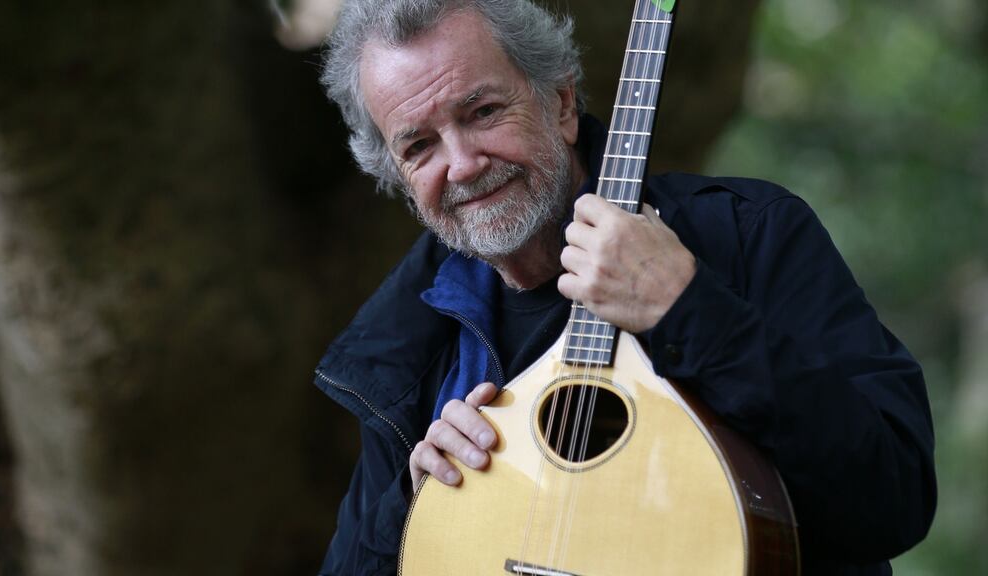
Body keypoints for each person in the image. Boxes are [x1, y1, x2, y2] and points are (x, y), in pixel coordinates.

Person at [314, 0, 937, 574]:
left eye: (481, 112)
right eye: (420, 146)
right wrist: (409, 503)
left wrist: (691, 311)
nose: (463, 162)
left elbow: (894, 499)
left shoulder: (749, 235)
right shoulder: (407, 340)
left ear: (559, 103)